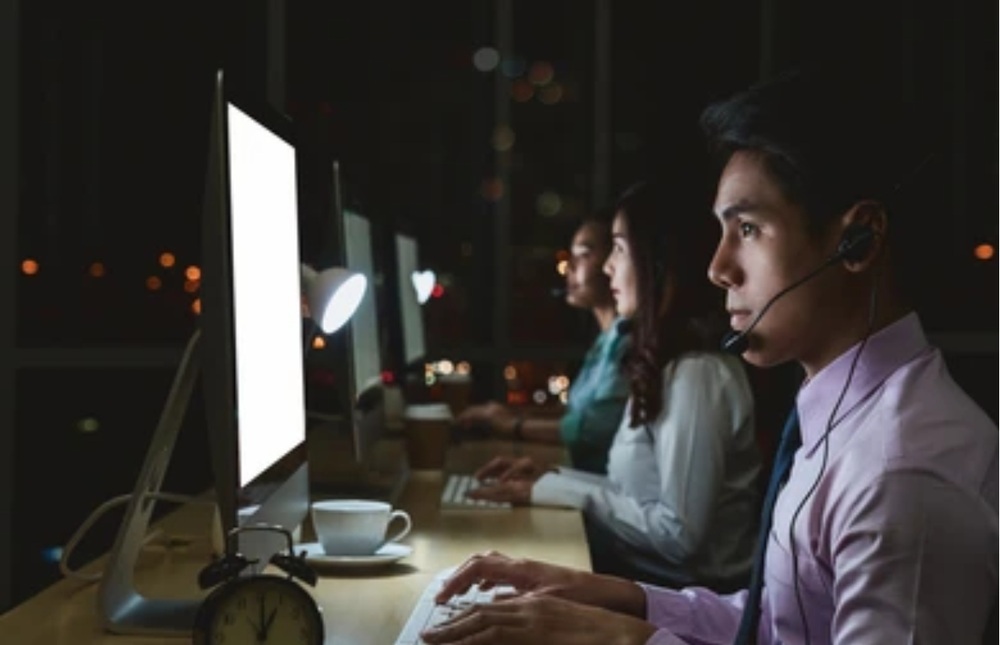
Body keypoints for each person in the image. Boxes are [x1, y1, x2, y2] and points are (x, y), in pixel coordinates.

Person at [420, 62, 999, 645]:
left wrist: (621, 639)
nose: (718, 269)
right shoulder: (840, 414)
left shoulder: (901, 472)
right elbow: (777, 624)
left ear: (859, 241)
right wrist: (612, 596)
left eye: (747, 229)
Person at [463, 181, 762, 591]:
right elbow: (635, 497)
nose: (607, 267)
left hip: (679, 601)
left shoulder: (697, 374)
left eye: (619, 249)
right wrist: (552, 477)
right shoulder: (666, 365)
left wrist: (563, 490)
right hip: (641, 580)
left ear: (657, 262)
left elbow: (680, 535)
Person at [456, 212, 630, 475]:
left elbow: (594, 429)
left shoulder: (628, 341)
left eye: (583, 254)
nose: (569, 266)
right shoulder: (606, 339)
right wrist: (509, 411)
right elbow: (575, 413)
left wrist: (512, 425)